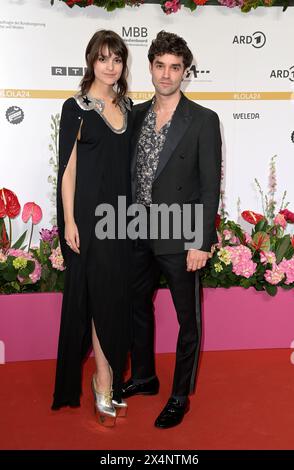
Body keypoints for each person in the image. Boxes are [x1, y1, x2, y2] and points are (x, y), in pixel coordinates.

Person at [122, 31, 222, 428]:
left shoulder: (203, 120)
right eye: (160, 66)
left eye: (175, 67)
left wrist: (201, 241)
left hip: (181, 236)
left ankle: (180, 394)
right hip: (135, 230)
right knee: (137, 308)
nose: (166, 74)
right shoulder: (133, 115)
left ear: (185, 72)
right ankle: (145, 376)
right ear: (149, 68)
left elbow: (209, 185)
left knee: (187, 319)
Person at [52, 30, 132, 427]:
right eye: (103, 59)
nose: (110, 66)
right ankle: (104, 379)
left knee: (117, 299)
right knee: (99, 297)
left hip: (123, 220)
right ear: (91, 61)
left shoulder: (129, 107)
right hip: (90, 218)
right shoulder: (76, 107)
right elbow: (68, 168)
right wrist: (69, 219)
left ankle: (112, 375)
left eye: (116, 59)